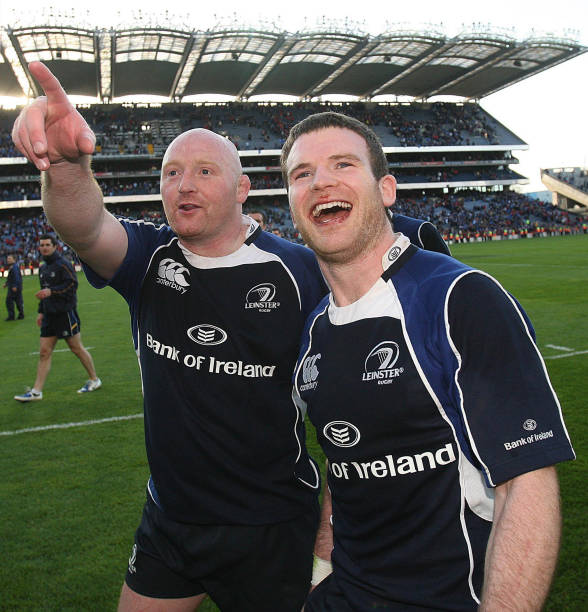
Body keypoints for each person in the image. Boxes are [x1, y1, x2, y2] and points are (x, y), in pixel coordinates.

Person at [12, 62, 327, 612]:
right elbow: (83, 225)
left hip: (271, 524)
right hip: (172, 519)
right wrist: (65, 165)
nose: (184, 184)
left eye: (205, 171)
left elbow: (358, 414)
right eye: (172, 172)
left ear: (242, 188)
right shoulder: (147, 259)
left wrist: (330, 524)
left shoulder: (301, 274)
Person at [280, 112, 576, 611]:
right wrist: (322, 570)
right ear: (291, 202)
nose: (321, 181)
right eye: (301, 174)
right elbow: (343, 457)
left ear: (387, 190)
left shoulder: (459, 298)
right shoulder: (314, 332)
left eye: (342, 164)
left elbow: (526, 482)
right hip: (343, 596)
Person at [14, 234, 102, 402]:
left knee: (76, 348)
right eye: (42, 245)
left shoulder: (63, 264)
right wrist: (41, 311)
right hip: (49, 316)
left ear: (55, 246)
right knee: (44, 352)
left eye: (47, 244)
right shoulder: (42, 268)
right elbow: (43, 291)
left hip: (65, 314)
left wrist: (52, 292)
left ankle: (94, 379)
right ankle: (36, 392)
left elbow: (72, 285)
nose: (44, 247)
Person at [4, 254, 24, 320]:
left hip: (14, 287)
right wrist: (6, 283)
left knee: (9, 301)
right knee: (18, 301)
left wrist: (14, 285)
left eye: (9, 258)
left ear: (14, 259)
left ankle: (11, 316)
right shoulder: (14, 266)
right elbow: (11, 277)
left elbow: (16, 277)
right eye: (7, 258)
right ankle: (21, 314)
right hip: (17, 286)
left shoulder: (14, 267)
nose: (8, 260)